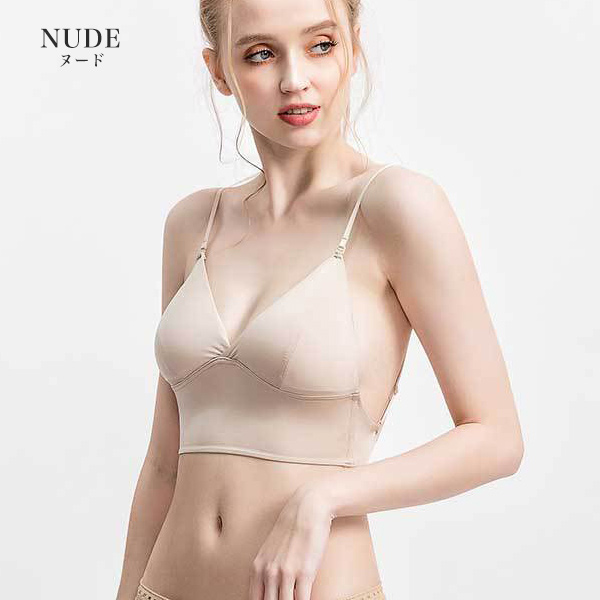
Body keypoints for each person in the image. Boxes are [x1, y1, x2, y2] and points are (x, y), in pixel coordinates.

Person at [116, 0, 524, 599]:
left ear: (353, 47)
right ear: (219, 70)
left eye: (321, 45)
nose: (294, 79)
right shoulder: (192, 223)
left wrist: (328, 495)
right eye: (261, 54)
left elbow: (496, 437)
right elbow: (163, 464)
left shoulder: (397, 207)